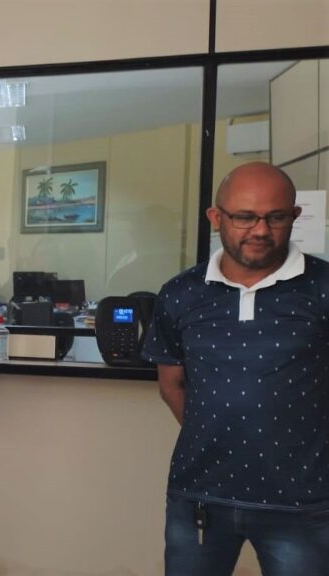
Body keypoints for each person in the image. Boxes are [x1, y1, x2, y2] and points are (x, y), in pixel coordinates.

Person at [143, 161, 329, 575]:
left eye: (276, 217)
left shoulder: (322, 286)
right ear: (216, 217)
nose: (260, 230)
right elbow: (171, 385)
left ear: (294, 216)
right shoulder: (181, 293)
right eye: (245, 217)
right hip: (200, 496)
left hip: (303, 502)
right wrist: (223, 433)